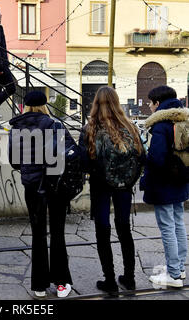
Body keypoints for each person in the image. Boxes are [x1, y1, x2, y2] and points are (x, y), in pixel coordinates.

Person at [78, 86, 144, 294]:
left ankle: (110, 281)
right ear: (116, 103)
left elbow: (83, 163)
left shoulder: (90, 129)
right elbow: (143, 158)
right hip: (124, 186)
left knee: (103, 230)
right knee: (125, 229)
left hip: (100, 186)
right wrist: (128, 179)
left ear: (96, 104)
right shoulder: (131, 127)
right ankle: (130, 278)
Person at [8, 91, 73, 298]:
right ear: (45, 105)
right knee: (58, 232)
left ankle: (39, 285)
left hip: (33, 185)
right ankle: (61, 283)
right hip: (56, 184)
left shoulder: (17, 127)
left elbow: (14, 161)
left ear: (25, 105)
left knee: (38, 234)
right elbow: (68, 154)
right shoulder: (56, 125)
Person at [140, 85, 189, 288]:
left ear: (157, 103)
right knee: (178, 223)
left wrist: (144, 158)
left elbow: (157, 159)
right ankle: (179, 267)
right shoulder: (183, 121)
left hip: (163, 183)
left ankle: (174, 275)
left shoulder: (161, 125)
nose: (150, 108)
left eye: (151, 104)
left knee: (167, 227)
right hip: (181, 180)